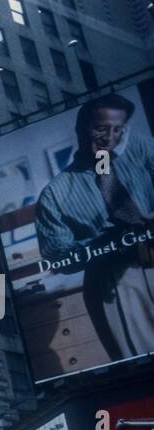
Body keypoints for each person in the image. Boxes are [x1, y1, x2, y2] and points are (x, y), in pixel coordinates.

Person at [35, 92, 154, 363]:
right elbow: (58, 257)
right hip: (115, 282)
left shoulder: (141, 149)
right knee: (141, 366)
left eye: (117, 130)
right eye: (101, 128)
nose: (108, 137)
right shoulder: (54, 194)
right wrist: (108, 243)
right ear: (82, 129)